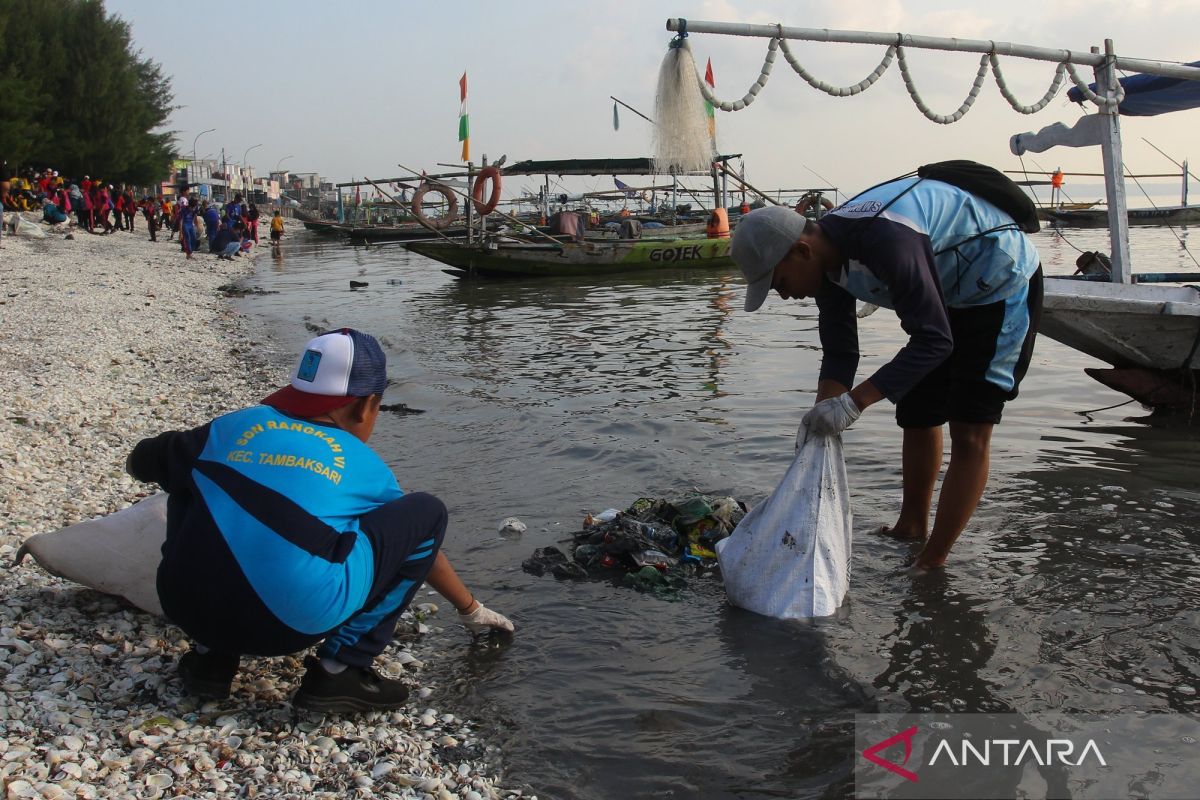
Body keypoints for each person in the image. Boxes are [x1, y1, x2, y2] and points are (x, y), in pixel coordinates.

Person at [124, 329, 514, 711]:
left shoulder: (230, 427)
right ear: (367, 406)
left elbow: (141, 461)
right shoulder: (365, 466)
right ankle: (341, 669)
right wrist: (470, 609)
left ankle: (211, 658)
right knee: (427, 512)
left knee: (193, 474)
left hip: (186, 608)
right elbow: (419, 546)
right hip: (287, 628)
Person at [730, 173, 1042, 571]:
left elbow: (933, 341)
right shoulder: (827, 263)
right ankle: (911, 526)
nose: (784, 294)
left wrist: (854, 403)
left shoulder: (886, 240)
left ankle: (933, 561)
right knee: (917, 410)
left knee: (970, 428)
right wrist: (821, 414)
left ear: (802, 252)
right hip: (946, 292)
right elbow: (841, 350)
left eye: (779, 282)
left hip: (999, 282)